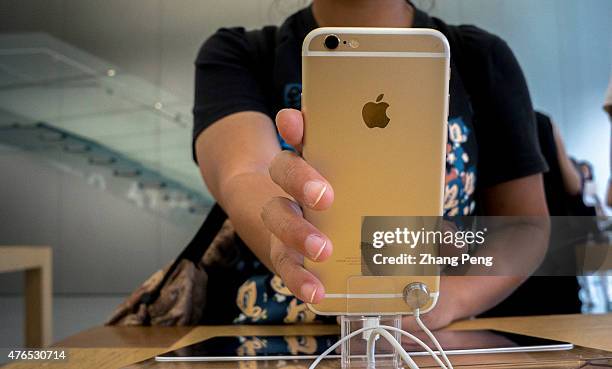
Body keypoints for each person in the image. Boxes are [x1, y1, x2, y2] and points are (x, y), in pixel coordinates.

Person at [193, 0, 577, 328]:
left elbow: (526, 226)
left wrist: (448, 301)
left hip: (429, 339)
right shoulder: (239, 54)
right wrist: (285, 234)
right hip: (271, 336)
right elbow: (244, 173)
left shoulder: (481, 57)